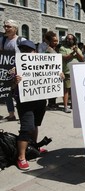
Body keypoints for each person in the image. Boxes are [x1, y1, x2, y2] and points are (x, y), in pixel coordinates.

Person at [12, 40, 47, 170]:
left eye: (29, 50)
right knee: (27, 127)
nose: (26, 53)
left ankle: (34, 147)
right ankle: (21, 157)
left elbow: (51, 78)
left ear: (35, 51)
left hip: (40, 100)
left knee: (35, 125)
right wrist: (15, 82)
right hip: (25, 101)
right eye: (23, 50)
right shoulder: (16, 66)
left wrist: (58, 76)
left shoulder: (43, 63)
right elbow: (8, 86)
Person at [0, 19, 26, 121]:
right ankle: (11, 114)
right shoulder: (2, 40)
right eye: (5, 26)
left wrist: (16, 67)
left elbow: (27, 56)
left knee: (19, 94)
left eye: (8, 26)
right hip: (6, 71)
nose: (6, 28)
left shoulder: (21, 41)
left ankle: (24, 115)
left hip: (19, 71)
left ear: (15, 28)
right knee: (7, 93)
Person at [59, 34, 84, 113]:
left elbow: (82, 59)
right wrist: (73, 53)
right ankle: (65, 106)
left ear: (74, 40)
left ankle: (73, 105)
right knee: (66, 90)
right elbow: (65, 58)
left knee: (74, 90)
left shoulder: (77, 48)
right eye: (67, 38)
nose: (68, 40)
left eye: (70, 39)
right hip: (67, 71)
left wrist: (76, 52)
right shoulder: (62, 48)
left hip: (76, 72)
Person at [44, 31, 61, 111]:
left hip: (56, 71)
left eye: (56, 40)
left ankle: (53, 103)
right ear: (49, 41)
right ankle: (51, 103)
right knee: (51, 88)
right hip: (50, 72)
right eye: (54, 41)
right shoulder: (48, 50)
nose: (56, 42)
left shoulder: (55, 49)